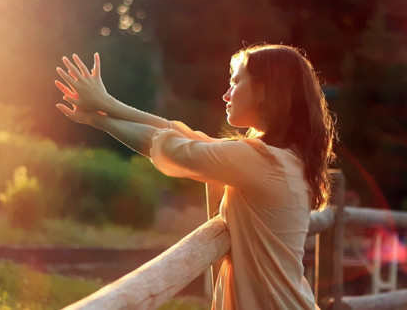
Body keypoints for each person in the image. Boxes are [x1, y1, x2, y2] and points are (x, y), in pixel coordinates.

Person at [54, 43, 337, 309]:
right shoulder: (283, 158)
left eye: (236, 81)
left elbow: (172, 146)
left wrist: (101, 115)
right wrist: (104, 107)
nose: (226, 94)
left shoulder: (261, 161)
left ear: (264, 91)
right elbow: (184, 135)